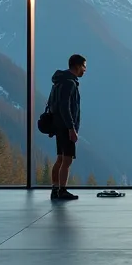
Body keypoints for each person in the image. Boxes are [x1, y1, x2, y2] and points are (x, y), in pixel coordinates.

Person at [47, 54, 86, 201]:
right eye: (83, 67)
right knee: (67, 160)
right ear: (77, 66)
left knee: (60, 158)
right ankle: (62, 190)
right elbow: (65, 107)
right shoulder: (69, 83)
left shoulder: (59, 81)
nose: (84, 70)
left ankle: (55, 189)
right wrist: (71, 128)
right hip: (65, 127)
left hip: (58, 125)